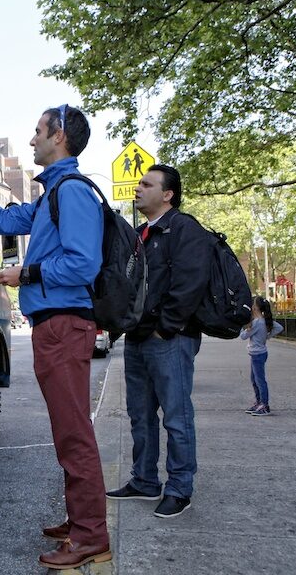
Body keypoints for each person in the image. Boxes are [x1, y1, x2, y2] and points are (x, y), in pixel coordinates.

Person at [0, 105, 111, 570]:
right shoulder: (49, 196)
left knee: (73, 431)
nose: (32, 138)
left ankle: (91, 534)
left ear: (59, 136)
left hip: (64, 324)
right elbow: (2, 221)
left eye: (39, 130)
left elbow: (84, 265)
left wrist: (27, 272)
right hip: (54, 325)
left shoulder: (72, 192)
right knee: (68, 430)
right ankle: (82, 518)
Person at [106, 164, 210, 519]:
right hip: (136, 339)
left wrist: (165, 328)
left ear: (168, 194)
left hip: (170, 339)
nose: (138, 189)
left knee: (176, 417)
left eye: (146, 184)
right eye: (138, 183)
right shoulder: (139, 234)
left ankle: (179, 488)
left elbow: (190, 284)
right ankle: (145, 480)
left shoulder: (185, 229)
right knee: (140, 416)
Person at [239, 296, 283, 416]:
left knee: (259, 380)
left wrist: (241, 327)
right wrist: (267, 336)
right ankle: (259, 403)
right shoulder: (264, 321)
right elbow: (279, 327)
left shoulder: (256, 323)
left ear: (255, 307)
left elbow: (243, 336)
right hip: (258, 353)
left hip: (257, 354)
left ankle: (264, 405)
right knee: (255, 379)